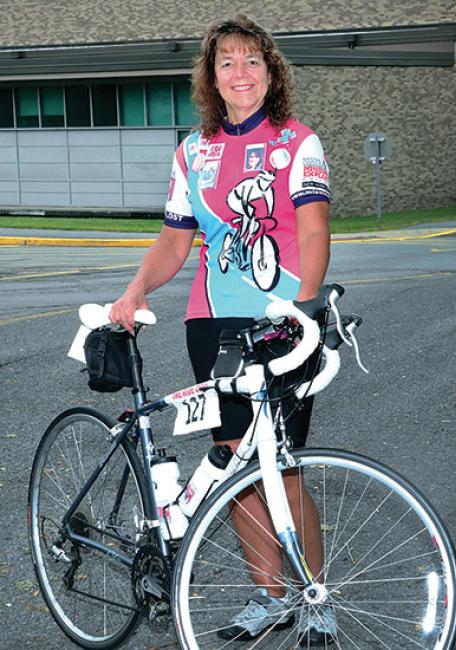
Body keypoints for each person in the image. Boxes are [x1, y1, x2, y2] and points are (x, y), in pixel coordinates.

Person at [109, 14, 334, 645]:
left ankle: (315, 597)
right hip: (211, 324)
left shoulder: (299, 142)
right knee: (235, 461)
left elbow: (313, 232)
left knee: (281, 464)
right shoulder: (192, 151)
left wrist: (306, 304)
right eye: (227, 62)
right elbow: (175, 241)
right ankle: (269, 596)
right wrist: (135, 289)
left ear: (271, 72)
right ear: (211, 76)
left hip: (282, 321)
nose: (241, 72)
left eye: (253, 61)